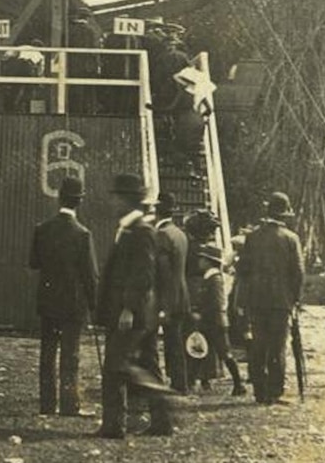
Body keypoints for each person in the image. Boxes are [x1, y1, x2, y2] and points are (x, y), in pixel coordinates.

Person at [95, 173, 172, 439]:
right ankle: (163, 421)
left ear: (128, 200)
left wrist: (128, 308)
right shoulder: (129, 228)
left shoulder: (140, 231)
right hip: (142, 311)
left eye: (116, 196)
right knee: (149, 363)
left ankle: (114, 426)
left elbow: (143, 273)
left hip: (131, 312)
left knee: (115, 366)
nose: (112, 201)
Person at [29, 176, 99, 415]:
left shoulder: (42, 229)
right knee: (71, 353)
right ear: (79, 202)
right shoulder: (83, 234)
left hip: (48, 300)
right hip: (73, 302)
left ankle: (47, 404)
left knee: (48, 353)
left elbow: (33, 263)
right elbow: (90, 275)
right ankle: (70, 405)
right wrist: (94, 304)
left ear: (59, 198)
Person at [236, 192, 304, 405]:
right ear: (284, 215)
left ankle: (259, 390)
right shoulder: (291, 239)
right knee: (277, 347)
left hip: (257, 300)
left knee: (258, 344)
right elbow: (299, 273)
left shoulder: (253, 237)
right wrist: (295, 299)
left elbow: (243, 270)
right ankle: (275, 391)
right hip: (281, 302)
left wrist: (244, 298)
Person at [192, 243, 246, 396]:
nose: (199, 262)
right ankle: (201, 382)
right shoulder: (210, 277)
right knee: (202, 351)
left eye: (202, 259)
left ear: (209, 261)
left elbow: (216, 303)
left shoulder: (214, 279)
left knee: (224, 353)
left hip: (215, 322)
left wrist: (201, 312)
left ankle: (238, 384)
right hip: (211, 321)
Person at [152, 191, 190, 394]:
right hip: (181, 296)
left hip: (169, 299)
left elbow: (164, 274)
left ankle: (178, 384)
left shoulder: (162, 236)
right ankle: (180, 382)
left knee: (172, 343)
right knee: (176, 341)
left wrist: (163, 307)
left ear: (157, 212)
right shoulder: (180, 233)